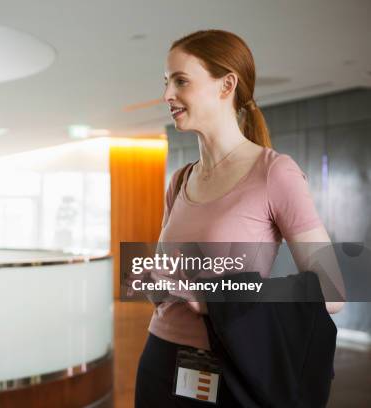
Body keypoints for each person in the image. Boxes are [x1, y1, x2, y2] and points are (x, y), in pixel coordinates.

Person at [134, 30, 344, 407]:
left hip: (225, 367)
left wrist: (215, 295)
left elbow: (333, 291)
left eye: (181, 81)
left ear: (226, 84)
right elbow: (167, 276)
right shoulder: (179, 180)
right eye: (166, 83)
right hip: (158, 358)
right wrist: (154, 280)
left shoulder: (275, 173)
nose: (167, 95)